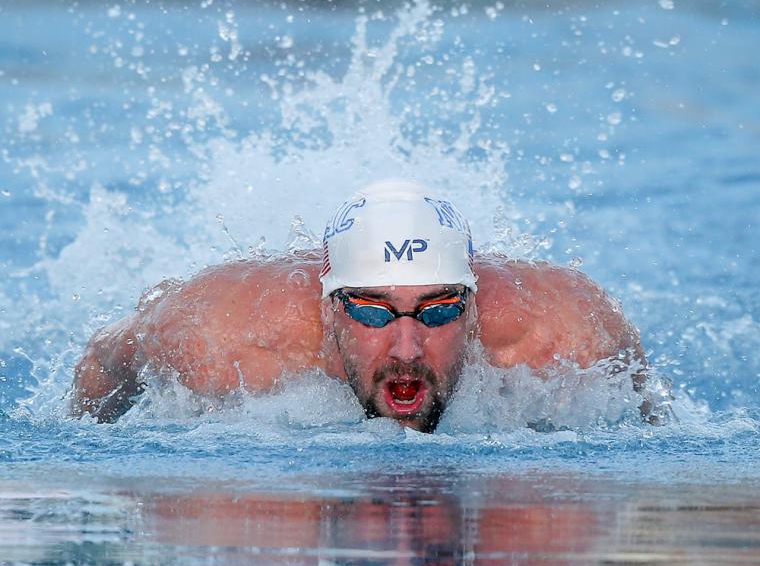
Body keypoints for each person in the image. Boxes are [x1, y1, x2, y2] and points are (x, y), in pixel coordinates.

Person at [71, 179, 647, 431]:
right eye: (371, 312)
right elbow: (104, 357)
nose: (407, 346)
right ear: (327, 310)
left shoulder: (565, 335)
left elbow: (650, 412)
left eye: (439, 310)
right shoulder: (221, 340)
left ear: (474, 307)